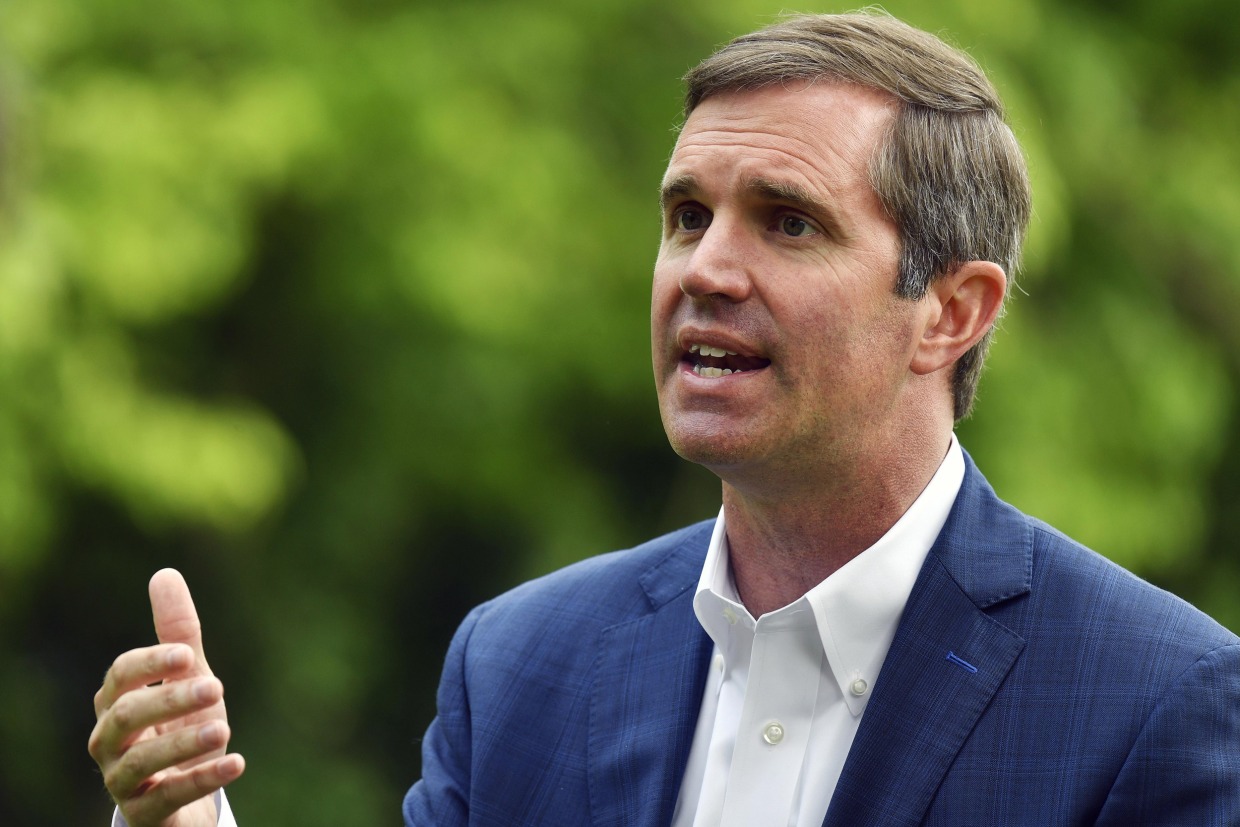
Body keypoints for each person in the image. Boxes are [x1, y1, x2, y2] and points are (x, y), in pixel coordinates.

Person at [90, 11, 1240, 826]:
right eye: (688, 215)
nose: (707, 267)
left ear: (949, 311)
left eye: (787, 222)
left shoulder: (1156, 701)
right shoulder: (522, 664)